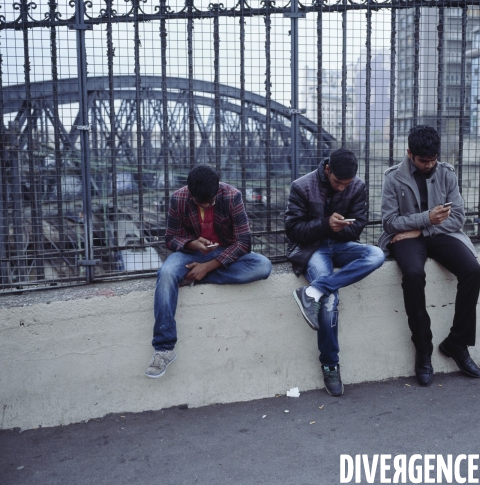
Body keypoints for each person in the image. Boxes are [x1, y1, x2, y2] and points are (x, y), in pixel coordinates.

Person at [378, 125, 480, 387]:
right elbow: (390, 223)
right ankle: (423, 349)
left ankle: (457, 343)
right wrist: (426, 220)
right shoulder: (393, 177)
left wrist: (419, 229)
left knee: (472, 270)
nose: (429, 165)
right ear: (409, 153)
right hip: (405, 239)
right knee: (413, 274)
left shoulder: (446, 173)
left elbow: (458, 218)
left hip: (435, 234)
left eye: (433, 159)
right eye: (424, 160)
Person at [145, 165, 272, 378]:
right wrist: (193, 244)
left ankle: (194, 275)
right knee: (166, 274)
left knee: (263, 265)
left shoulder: (232, 196)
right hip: (192, 253)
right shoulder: (179, 198)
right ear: (190, 192)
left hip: (223, 253)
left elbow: (243, 243)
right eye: (199, 202)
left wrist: (208, 267)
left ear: (217, 189)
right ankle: (164, 349)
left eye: (210, 202)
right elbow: (170, 238)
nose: (205, 205)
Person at [285, 148, 385, 396]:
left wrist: (338, 229)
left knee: (377, 254)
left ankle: (314, 289)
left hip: (340, 245)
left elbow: (358, 227)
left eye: (347, 184)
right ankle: (330, 363)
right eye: (338, 183)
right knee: (330, 300)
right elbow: (293, 231)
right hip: (313, 248)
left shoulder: (357, 186)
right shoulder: (302, 186)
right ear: (327, 169)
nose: (342, 188)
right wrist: (325, 223)